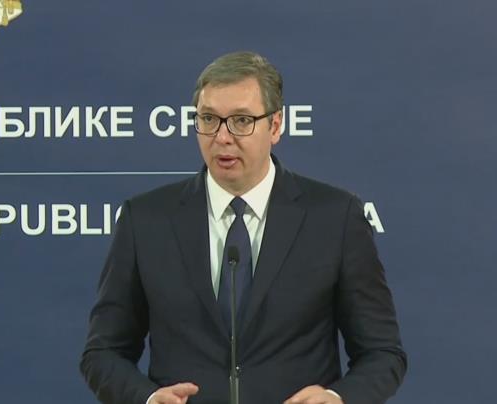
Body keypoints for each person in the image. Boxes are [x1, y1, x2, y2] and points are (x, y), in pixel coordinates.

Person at [80, 51, 407, 404]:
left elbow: (383, 353)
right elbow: (103, 353)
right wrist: (146, 398)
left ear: (275, 126)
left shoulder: (335, 217)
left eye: (241, 121)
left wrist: (337, 397)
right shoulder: (146, 219)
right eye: (209, 119)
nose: (222, 137)